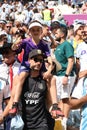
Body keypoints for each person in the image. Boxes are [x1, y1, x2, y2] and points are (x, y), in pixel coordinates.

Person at [9, 20, 57, 115]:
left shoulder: (43, 44)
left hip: (40, 66)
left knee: (52, 79)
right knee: (21, 77)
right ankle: (15, 104)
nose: (35, 32)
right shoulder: (25, 41)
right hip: (26, 66)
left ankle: (55, 105)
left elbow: (49, 57)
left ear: (40, 31)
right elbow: (14, 49)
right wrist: (15, 43)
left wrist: (49, 70)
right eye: (33, 30)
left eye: (37, 30)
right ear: (30, 31)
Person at [54, 25, 76, 129]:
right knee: (60, 98)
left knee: (65, 98)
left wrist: (66, 76)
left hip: (66, 75)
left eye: (57, 33)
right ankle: (60, 120)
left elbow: (71, 61)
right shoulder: (59, 46)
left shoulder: (67, 45)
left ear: (62, 34)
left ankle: (65, 121)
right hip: (59, 75)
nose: (55, 34)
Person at [69, 24, 87, 130]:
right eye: (82, 31)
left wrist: (85, 72)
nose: (84, 32)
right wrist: (77, 76)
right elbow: (78, 63)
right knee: (82, 111)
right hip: (82, 81)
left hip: (84, 77)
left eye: (85, 30)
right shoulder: (80, 46)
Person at [0, 42, 21, 130]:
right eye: (3, 53)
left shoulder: (21, 68)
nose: (5, 55)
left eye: (7, 52)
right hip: (3, 104)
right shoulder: (0, 68)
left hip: (17, 104)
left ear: (14, 53)